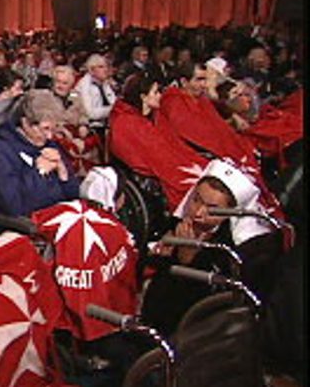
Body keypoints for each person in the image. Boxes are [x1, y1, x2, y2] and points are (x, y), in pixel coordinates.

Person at [140, 159, 282, 336]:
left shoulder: (234, 251)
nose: (198, 213)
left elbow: (207, 305)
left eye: (212, 208)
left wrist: (187, 259)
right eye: (196, 200)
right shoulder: (177, 224)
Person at [108, 73, 209, 210]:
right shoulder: (126, 123)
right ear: (143, 97)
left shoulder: (155, 117)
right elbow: (150, 157)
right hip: (151, 174)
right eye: (155, 92)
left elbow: (173, 146)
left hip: (171, 163)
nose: (159, 96)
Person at [0, 91, 80, 217]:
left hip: (61, 215)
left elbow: (73, 196)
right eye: (45, 128)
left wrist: (63, 172)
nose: (50, 136)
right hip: (29, 224)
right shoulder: (2, 151)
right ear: (25, 123)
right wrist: (39, 172)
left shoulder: (49, 144)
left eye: (54, 128)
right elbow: (14, 207)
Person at [74, 54, 117, 130]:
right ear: (92, 70)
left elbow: (114, 102)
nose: (106, 70)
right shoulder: (84, 85)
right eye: (101, 67)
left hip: (109, 123)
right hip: (91, 126)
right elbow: (90, 113)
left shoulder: (105, 84)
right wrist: (112, 109)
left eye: (106, 66)